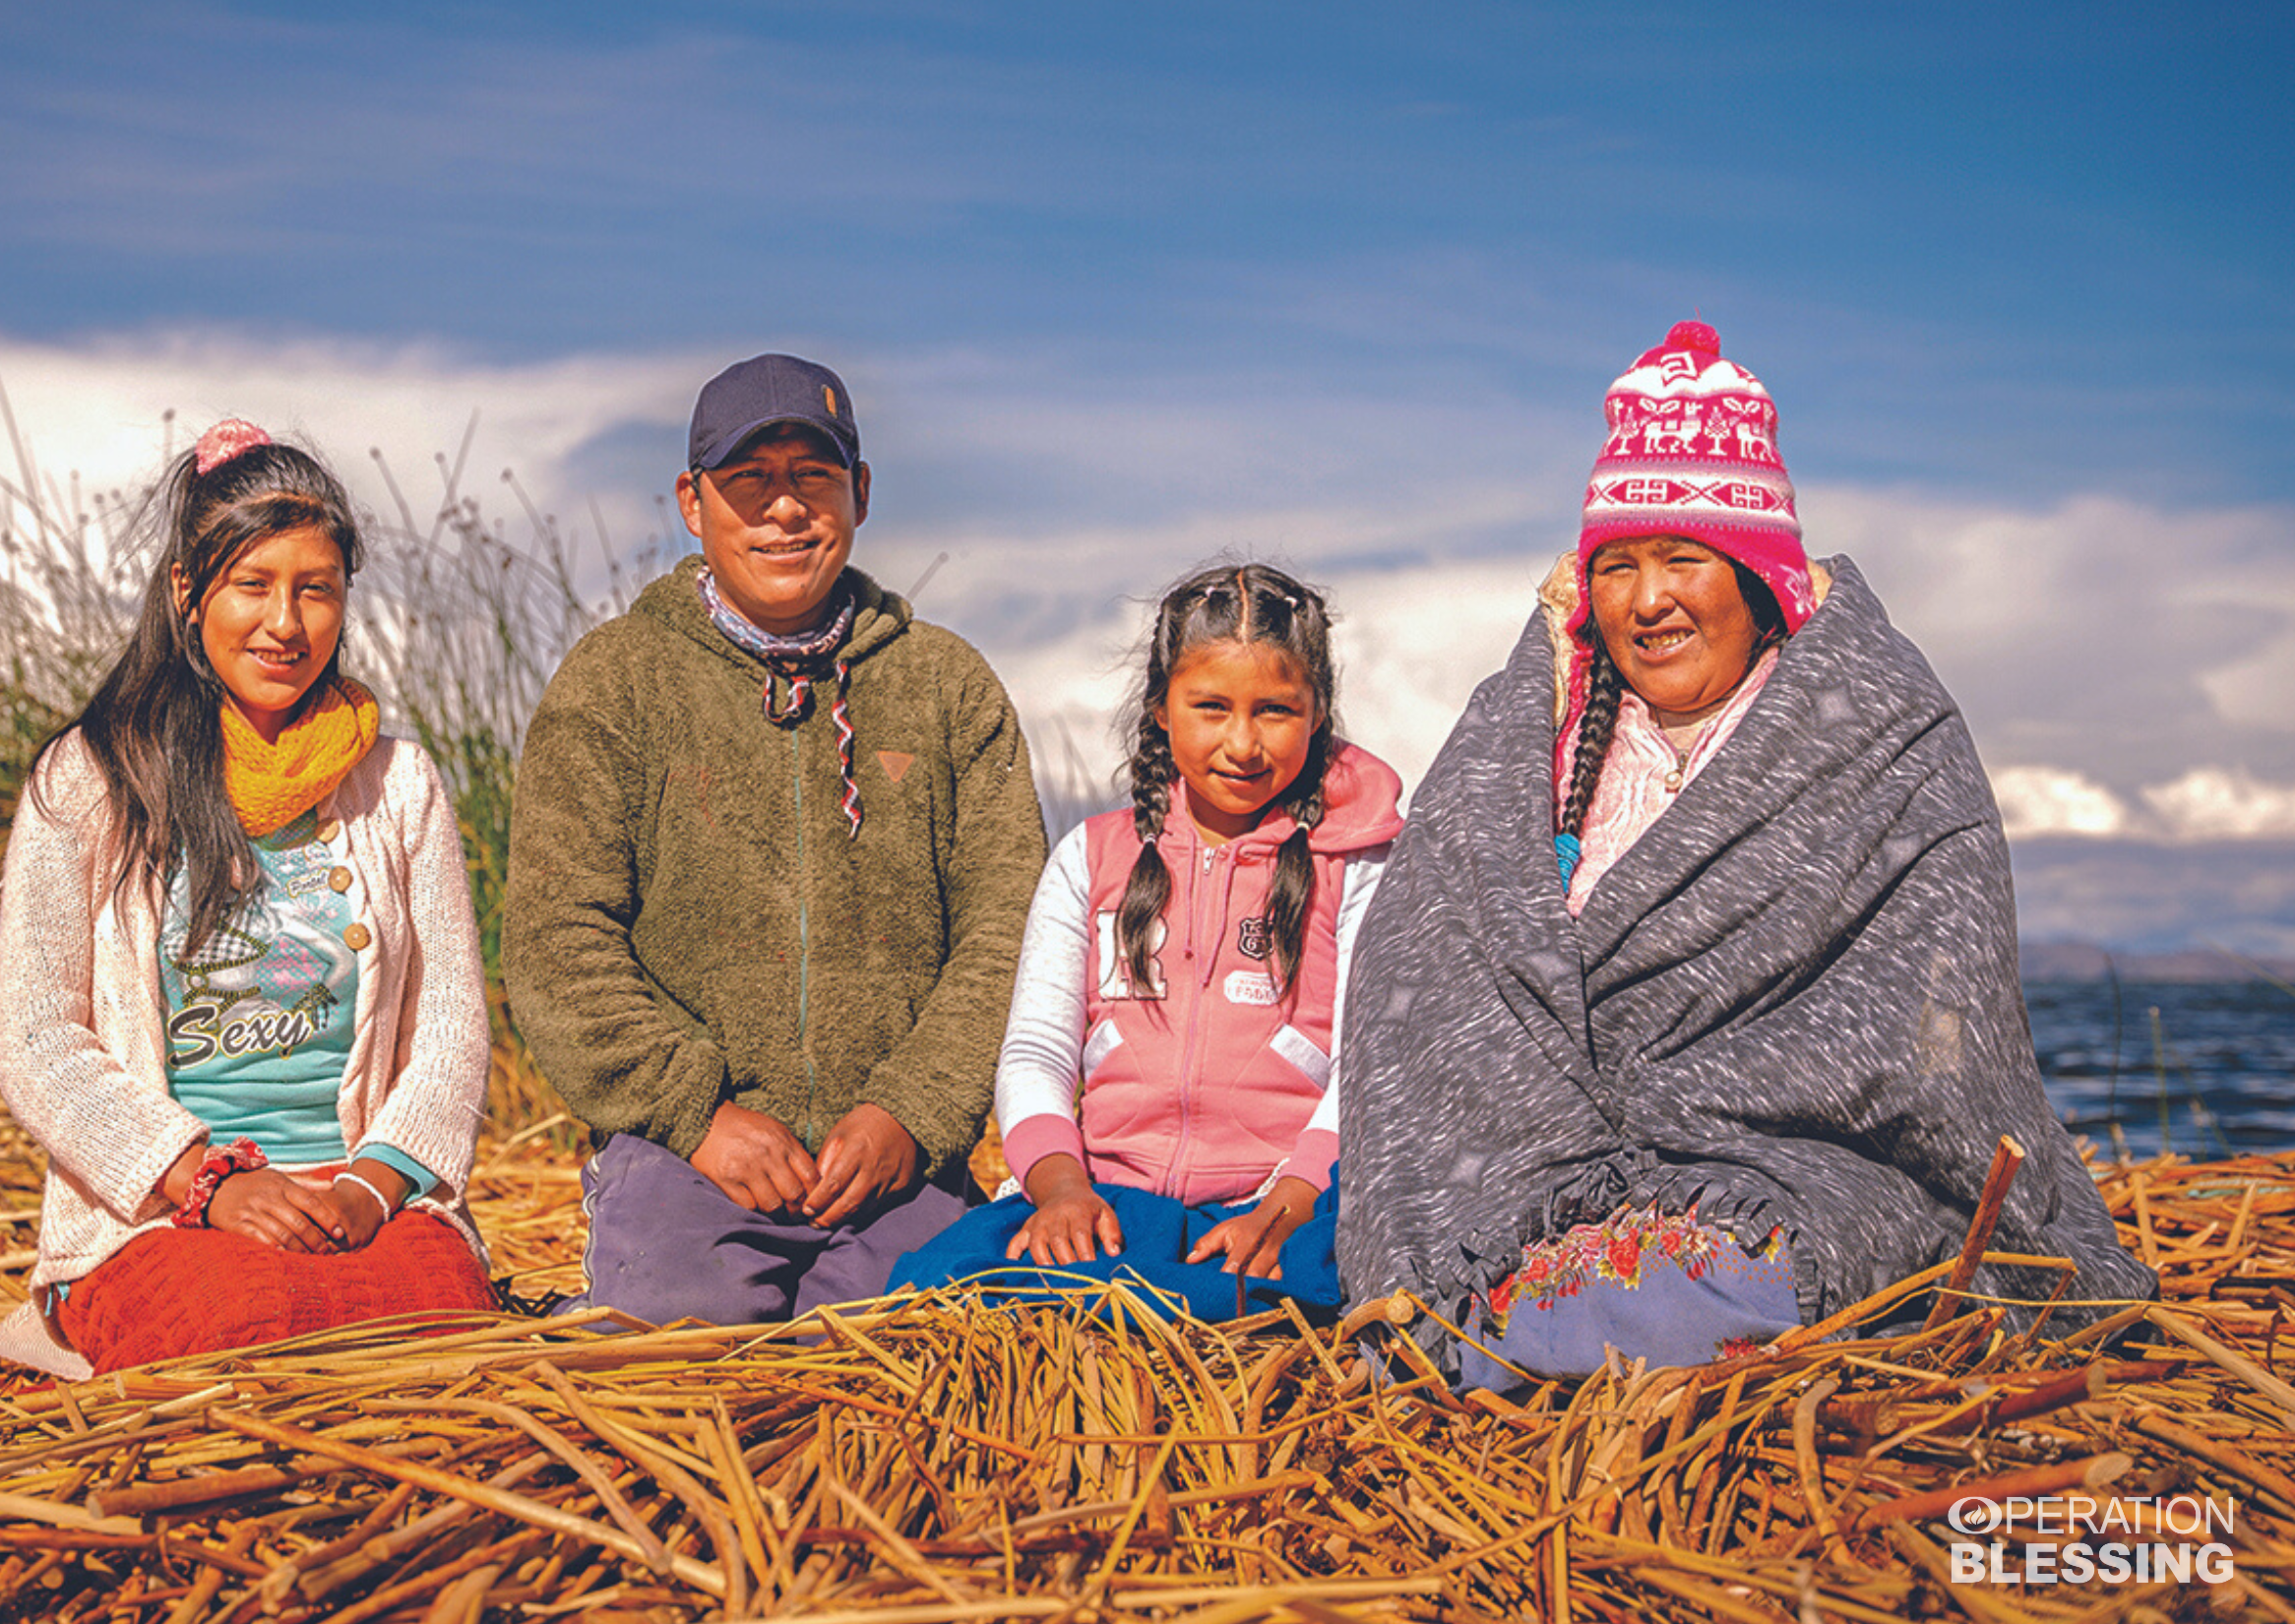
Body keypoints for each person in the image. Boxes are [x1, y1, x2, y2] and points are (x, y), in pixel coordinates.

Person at [1337, 322, 2155, 1390]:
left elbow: (1937, 1023)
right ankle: (1521, 1322)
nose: (1646, 601)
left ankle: (1540, 1337)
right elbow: (1427, 975)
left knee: (1743, 1278)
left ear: (1759, 577)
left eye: (1683, 559)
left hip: (1794, 1172)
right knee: (1475, 1277)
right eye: (1616, 567)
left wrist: (1711, 1111)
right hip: (1526, 1176)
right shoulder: (1518, 740)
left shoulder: (1877, 739)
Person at [504, 354, 1044, 1326]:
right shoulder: (614, 682)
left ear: (860, 493)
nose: (784, 508)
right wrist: (697, 1117)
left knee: (910, 1365)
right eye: (749, 480)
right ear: (691, 502)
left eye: (813, 476)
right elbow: (557, 933)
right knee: (673, 1357)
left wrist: (908, 1115)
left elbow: (1006, 929)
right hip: (685, 1157)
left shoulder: (948, 688)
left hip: (893, 1168)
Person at [0, 419, 497, 1379]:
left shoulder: (400, 785)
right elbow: (36, 1038)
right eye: (251, 585)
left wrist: (372, 1188)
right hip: (158, 1214)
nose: (285, 623)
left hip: (359, 1201)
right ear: (187, 592)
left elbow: (451, 1029)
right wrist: (205, 1182)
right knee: (242, 1325)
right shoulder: (92, 779)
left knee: (448, 1325)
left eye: (316, 590)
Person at [892, 564, 1402, 1319]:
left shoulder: (1359, 865)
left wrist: (1290, 1204)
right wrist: (1061, 1187)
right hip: (1107, 1200)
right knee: (942, 1286)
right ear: (1161, 709)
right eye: (1210, 707)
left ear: (1318, 711)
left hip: (1280, 1208)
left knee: (1272, 1307)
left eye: (1275, 711)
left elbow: (1370, 1064)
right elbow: (1037, 1050)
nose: (1242, 742)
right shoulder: (1091, 860)